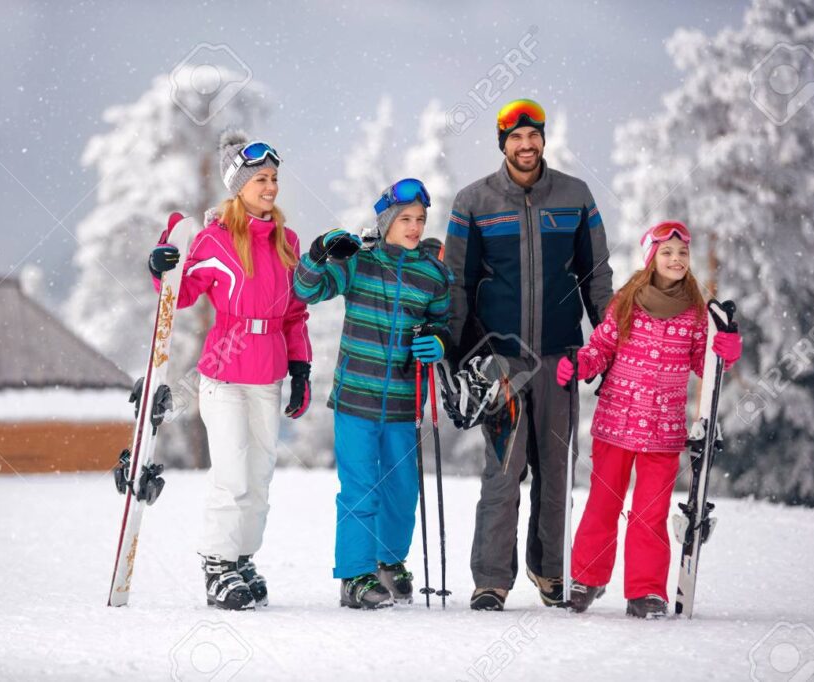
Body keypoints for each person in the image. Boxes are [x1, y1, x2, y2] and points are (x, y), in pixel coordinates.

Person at [442, 98, 614, 611]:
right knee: (502, 474)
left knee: (555, 472)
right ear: (503, 143)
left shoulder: (575, 196)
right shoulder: (473, 202)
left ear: (543, 139)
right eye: (515, 137)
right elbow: (457, 285)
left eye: (532, 135)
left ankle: (551, 571)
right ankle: (491, 581)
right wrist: (454, 357)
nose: (525, 144)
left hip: (562, 358)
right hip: (501, 364)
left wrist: (607, 344)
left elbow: (596, 276)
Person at [147, 131, 312, 611]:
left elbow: (296, 313)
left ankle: (241, 557)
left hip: (270, 371)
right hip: (223, 371)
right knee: (232, 474)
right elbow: (182, 290)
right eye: (261, 178)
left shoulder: (288, 241)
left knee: (260, 476)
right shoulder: (215, 240)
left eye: (274, 178)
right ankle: (217, 564)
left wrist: (300, 368)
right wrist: (160, 266)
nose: (271, 187)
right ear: (238, 185)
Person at [559, 220, 742, 619]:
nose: (676, 259)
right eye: (667, 252)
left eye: (682, 253)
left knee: (650, 514)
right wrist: (579, 364)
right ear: (651, 259)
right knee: (603, 505)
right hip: (616, 422)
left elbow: (703, 365)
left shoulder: (698, 313)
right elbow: (602, 347)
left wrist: (723, 350)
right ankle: (586, 579)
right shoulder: (627, 301)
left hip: (664, 431)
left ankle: (645, 591)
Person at [293, 178, 451, 609]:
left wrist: (437, 342)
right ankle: (355, 576)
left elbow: (444, 324)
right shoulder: (360, 264)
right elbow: (306, 290)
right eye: (405, 219)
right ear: (386, 222)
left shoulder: (433, 274)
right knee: (361, 488)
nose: (415, 227)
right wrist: (316, 255)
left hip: (404, 402)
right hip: (355, 400)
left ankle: (389, 560)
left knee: (401, 490)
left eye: (420, 219)